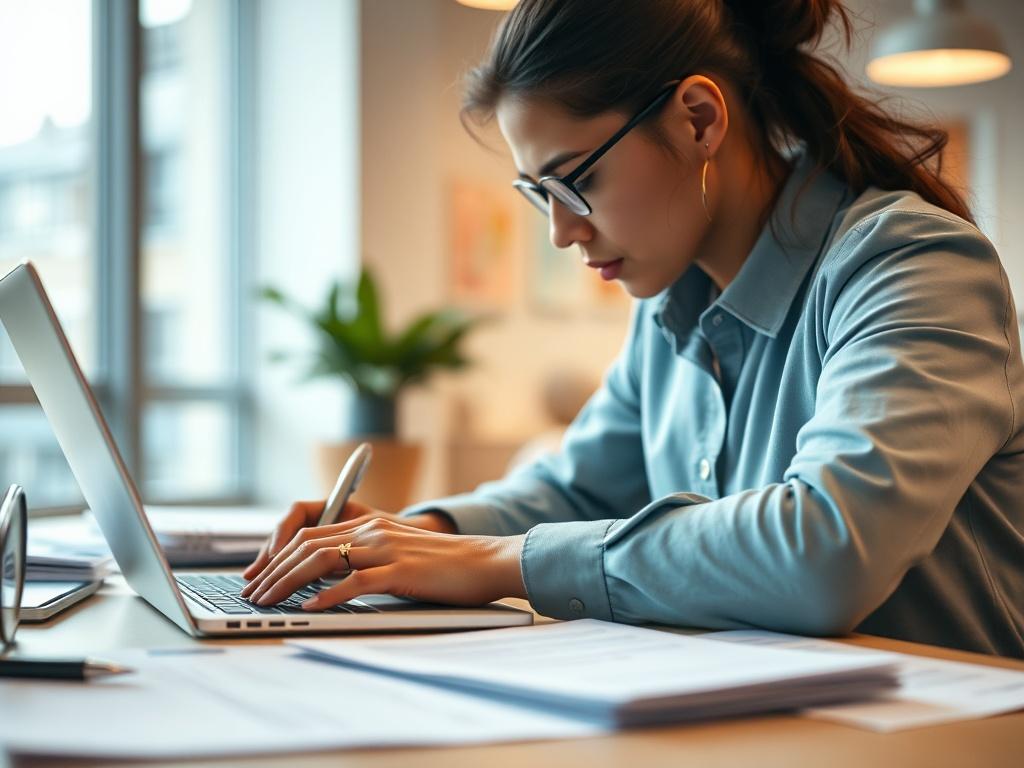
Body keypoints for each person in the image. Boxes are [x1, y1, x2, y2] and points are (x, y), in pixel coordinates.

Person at [240, 0, 1024, 657]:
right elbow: (573, 488)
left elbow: (825, 551)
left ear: (698, 119)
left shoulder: (910, 264)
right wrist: (408, 537)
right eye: (536, 191)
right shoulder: (669, 306)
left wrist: (492, 562)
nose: (559, 231)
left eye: (574, 182)